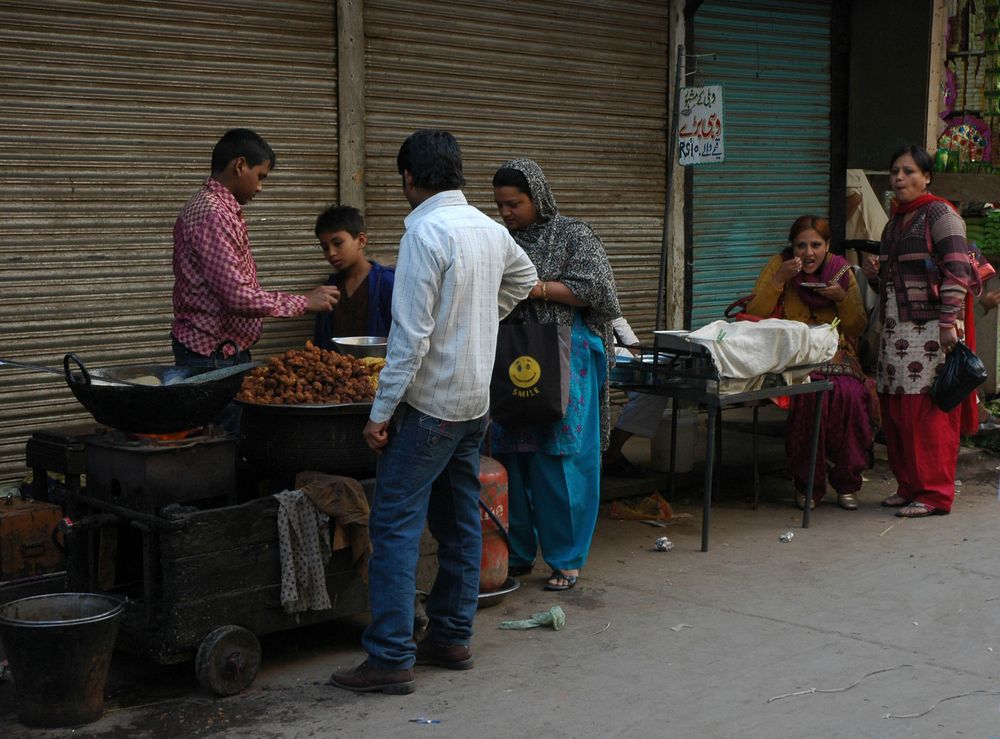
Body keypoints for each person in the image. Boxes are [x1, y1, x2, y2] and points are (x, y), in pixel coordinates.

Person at [328, 131, 537, 695]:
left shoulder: (424, 230)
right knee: (458, 525)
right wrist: (476, 318)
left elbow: (411, 336)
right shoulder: (489, 229)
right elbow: (523, 279)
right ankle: (449, 637)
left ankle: (391, 656)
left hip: (431, 408)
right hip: (473, 406)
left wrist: (379, 412)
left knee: (393, 526)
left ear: (409, 179)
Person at [490, 158, 621, 592]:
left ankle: (566, 559)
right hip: (512, 358)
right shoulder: (497, 240)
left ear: (537, 197)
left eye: (515, 204)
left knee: (560, 457)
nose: (507, 213)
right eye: (501, 205)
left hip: (566, 357)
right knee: (514, 454)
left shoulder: (572, 234)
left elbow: (598, 290)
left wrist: (535, 287)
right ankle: (519, 553)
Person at [862, 144, 977, 517]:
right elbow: (896, 281)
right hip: (895, 330)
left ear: (927, 177)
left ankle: (934, 494)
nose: (899, 178)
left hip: (930, 331)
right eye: (895, 171)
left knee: (926, 413)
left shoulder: (940, 214)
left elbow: (957, 270)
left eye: (909, 171)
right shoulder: (894, 221)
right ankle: (908, 485)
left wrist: (947, 324)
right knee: (896, 410)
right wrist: (876, 278)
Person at [172, 128, 338, 370]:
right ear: (240, 166)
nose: (260, 187)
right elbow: (237, 296)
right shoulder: (213, 214)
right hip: (209, 353)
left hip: (221, 349)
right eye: (260, 176)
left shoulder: (218, 209)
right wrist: (303, 301)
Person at [746, 215, 873, 511]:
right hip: (794, 355)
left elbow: (856, 326)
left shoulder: (841, 270)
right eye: (800, 245)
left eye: (816, 245)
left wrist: (841, 297)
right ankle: (807, 485)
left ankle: (847, 482)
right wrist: (779, 281)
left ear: (827, 246)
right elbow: (754, 313)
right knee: (808, 399)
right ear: (792, 247)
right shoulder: (780, 266)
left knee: (851, 397)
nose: (808, 253)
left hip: (836, 354)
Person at [311, 205, 395, 350]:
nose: (331, 253)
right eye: (325, 247)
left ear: (361, 241)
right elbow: (321, 344)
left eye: (338, 243)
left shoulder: (387, 283)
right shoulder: (329, 290)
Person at [603, 316, 669, 477]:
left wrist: (634, 346)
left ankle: (612, 449)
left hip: (611, 350)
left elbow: (615, 316)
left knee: (654, 387)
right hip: (578, 347)